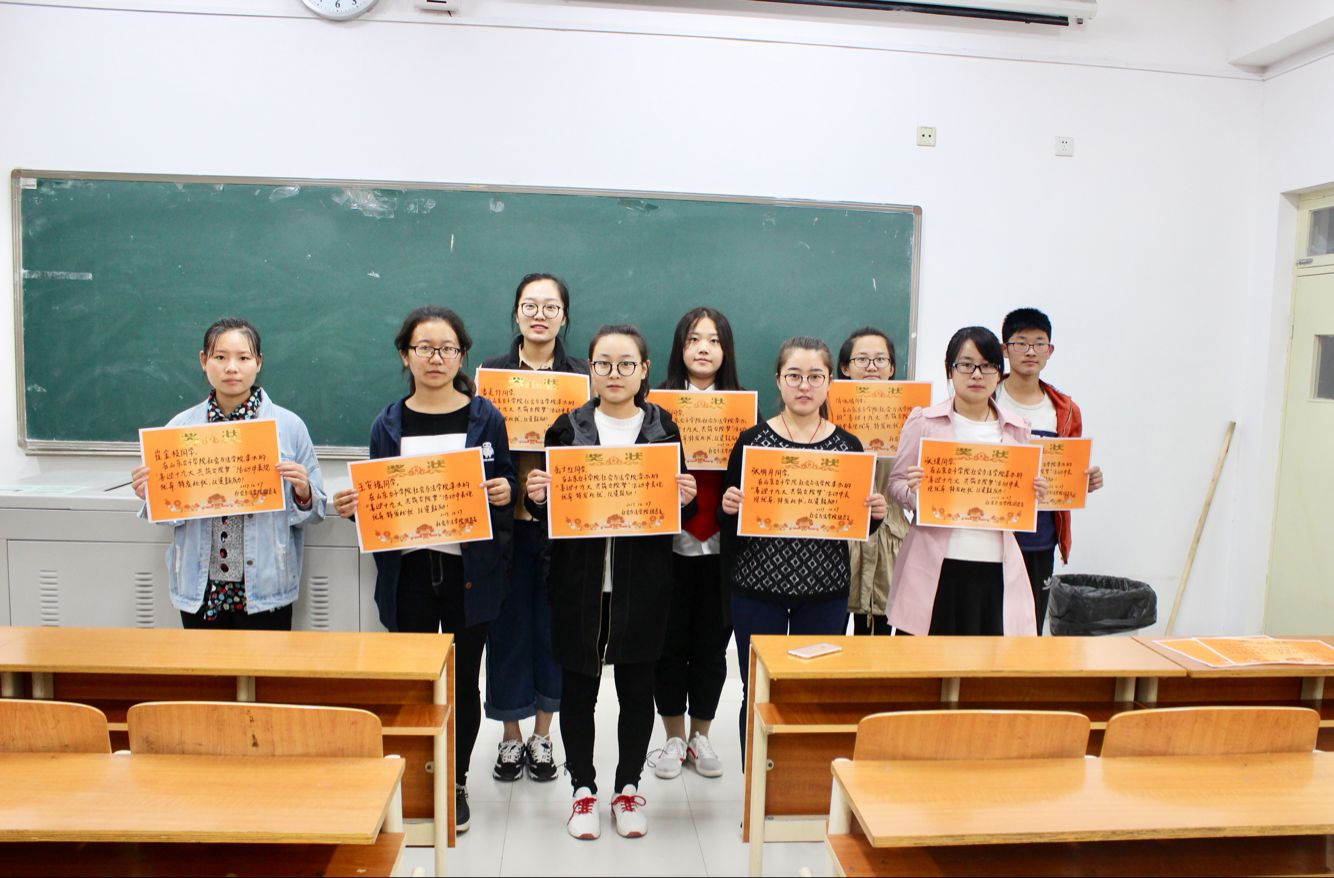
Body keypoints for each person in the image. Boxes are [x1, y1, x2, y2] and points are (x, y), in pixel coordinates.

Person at [331, 306, 515, 835]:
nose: (436, 358)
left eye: (447, 349)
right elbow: (379, 499)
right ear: (405, 355)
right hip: (408, 574)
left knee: (462, 682)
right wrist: (355, 507)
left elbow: (503, 481)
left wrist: (503, 491)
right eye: (424, 348)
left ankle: (454, 781)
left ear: (462, 355)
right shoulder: (387, 423)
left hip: (469, 574)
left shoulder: (486, 418)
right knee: (413, 682)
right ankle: (414, 776)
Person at [524, 324, 697, 841]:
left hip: (642, 583)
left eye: (626, 364)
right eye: (603, 364)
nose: (614, 374)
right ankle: (582, 789)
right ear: (590, 370)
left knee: (636, 689)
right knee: (579, 688)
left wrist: (685, 498)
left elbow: (676, 514)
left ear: (644, 370)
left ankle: (627, 788)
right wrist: (537, 497)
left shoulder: (663, 430)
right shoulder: (566, 429)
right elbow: (550, 512)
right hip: (578, 583)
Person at [719, 336, 888, 747]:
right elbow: (731, 522)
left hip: (824, 592)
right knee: (757, 693)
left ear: (830, 382)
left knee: (813, 694)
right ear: (778, 380)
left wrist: (874, 517)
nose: (804, 385)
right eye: (794, 376)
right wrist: (729, 506)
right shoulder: (751, 441)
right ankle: (755, 786)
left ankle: (803, 782)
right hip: (757, 590)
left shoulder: (848, 446)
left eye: (815, 376)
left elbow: (853, 526)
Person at [130, 317, 324, 630]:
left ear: (258, 362)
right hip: (200, 586)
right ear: (203, 360)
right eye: (220, 357)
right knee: (206, 664)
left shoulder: (289, 427)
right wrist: (151, 495)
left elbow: (316, 513)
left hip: (265, 586)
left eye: (243, 358)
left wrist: (304, 492)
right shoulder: (179, 429)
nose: (231, 368)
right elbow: (168, 517)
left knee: (267, 662)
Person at [480, 273, 588, 784]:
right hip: (504, 526)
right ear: (517, 313)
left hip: (561, 527)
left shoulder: (584, 377)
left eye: (550, 307)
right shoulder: (490, 376)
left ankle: (544, 735)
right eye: (530, 305)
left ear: (564, 316)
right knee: (505, 631)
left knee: (553, 630)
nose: (539, 315)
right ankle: (510, 734)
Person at [886, 327, 1046, 636]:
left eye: (987, 366)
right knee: (926, 658)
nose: (976, 374)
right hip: (936, 566)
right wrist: (914, 492)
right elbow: (896, 484)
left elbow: (1021, 496)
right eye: (966, 364)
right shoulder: (924, 422)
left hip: (995, 566)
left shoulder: (1016, 429)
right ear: (950, 369)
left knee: (984, 659)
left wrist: (1036, 493)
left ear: (999, 372)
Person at [653, 307, 747, 781]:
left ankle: (700, 736)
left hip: (721, 550)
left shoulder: (745, 413)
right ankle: (673, 737)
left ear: (725, 350)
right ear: (680, 348)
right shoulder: (654, 410)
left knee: (712, 647)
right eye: (693, 339)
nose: (703, 348)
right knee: (667, 645)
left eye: (713, 340)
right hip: (668, 547)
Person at [995, 307, 1104, 633]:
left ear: (1050, 350)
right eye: (1021, 342)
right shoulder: (988, 398)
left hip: (1040, 538)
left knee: (1029, 627)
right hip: (992, 536)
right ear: (1005, 349)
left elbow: (1068, 471)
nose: (1030, 351)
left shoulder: (1064, 410)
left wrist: (1084, 480)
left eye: (1039, 343)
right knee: (989, 626)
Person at [837, 327, 912, 636]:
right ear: (845, 368)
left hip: (889, 539)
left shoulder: (912, 417)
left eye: (881, 359)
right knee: (828, 637)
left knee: (876, 639)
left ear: (892, 368)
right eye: (862, 359)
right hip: (839, 539)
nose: (872, 367)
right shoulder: (825, 413)